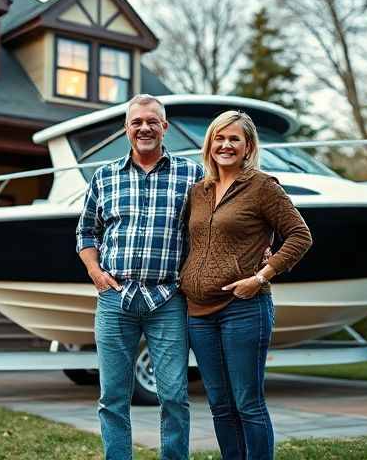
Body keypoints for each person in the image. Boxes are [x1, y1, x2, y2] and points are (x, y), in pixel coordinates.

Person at [75, 94, 203, 460]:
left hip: (168, 299)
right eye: (136, 122)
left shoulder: (191, 175)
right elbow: (86, 233)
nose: (144, 127)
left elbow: (213, 229)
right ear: (126, 129)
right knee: (113, 396)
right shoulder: (104, 177)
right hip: (116, 299)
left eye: (152, 121)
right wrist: (96, 273)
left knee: (175, 395)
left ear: (164, 127)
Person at [180, 110, 312, 460]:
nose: (225, 145)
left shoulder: (262, 187)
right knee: (220, 404)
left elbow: (300, 236)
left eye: (233, 139)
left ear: (248, 145)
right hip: (198, 314)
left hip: (244, 309)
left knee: (247, 403)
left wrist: (261, 276)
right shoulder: (199, 191)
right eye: (219, 138)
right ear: (209, 144)